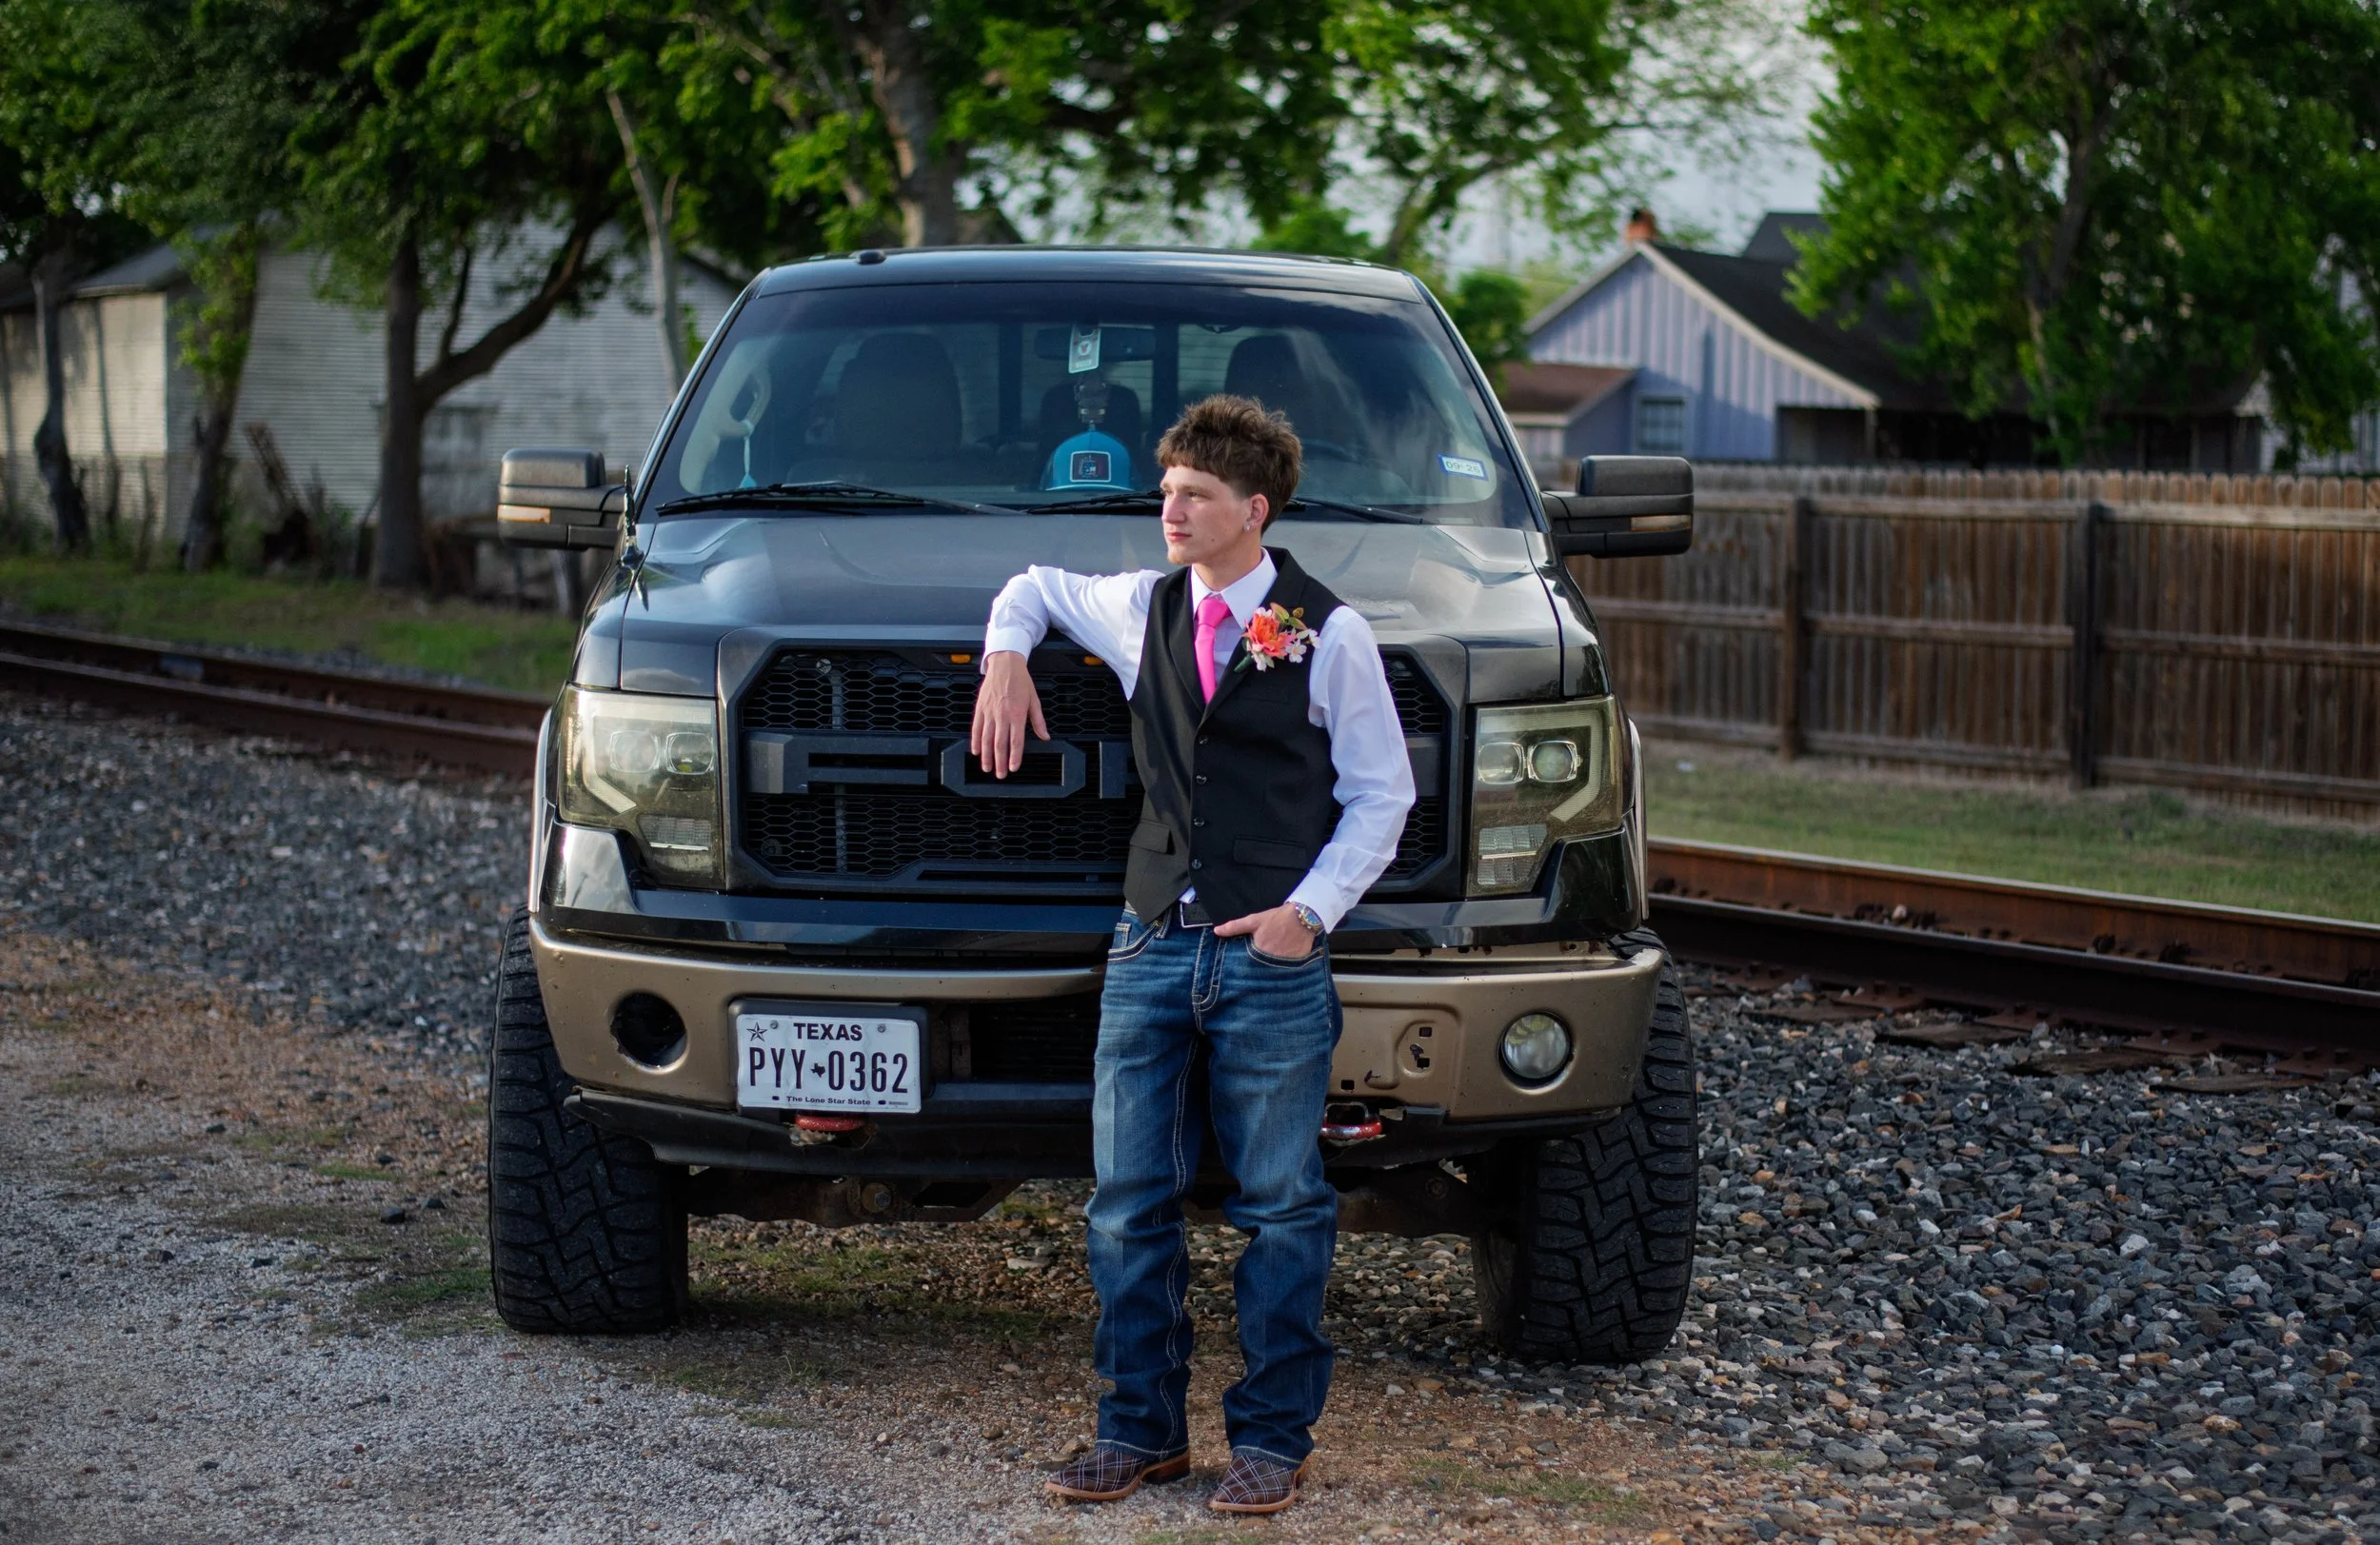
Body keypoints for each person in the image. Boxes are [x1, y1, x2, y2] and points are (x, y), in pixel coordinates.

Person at [969, 393, 1415, 1515]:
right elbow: (1029, 586)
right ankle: (1138, 1433)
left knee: (1280, 1204)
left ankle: (1271, 1441)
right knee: (1126, 1200)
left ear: (1252, 510)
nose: (1167, 509)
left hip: (1271, 957)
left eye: (1193, 496)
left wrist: (1303, 917)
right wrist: (1003, 659)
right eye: (1166, 492)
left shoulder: (1331, 631)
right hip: (1148, 943)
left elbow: (1381, 797)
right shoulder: (1138, 607)